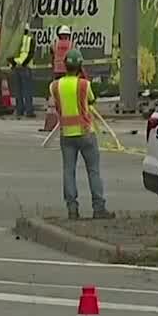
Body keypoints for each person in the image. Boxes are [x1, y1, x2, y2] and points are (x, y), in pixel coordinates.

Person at [50, 49, 114, 220]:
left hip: (66, 135)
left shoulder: (55, 86)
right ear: (80, 66)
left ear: (65, 65)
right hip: (86, 133)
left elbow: (57, 105)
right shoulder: (84, 85)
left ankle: (72, 209)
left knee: (68, 171)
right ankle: (98, 208)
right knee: (93, 171)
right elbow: (91, 100)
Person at [9, 21, 36, 118]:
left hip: (15, 67)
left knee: (18, 90)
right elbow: (31, 54)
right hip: (25, 67)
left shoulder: (14, 40)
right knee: (27, 90)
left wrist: (14, 63)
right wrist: (23, 64)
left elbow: (9, 54)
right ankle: (29, 111)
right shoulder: (30, 40)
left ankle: (19, 110)